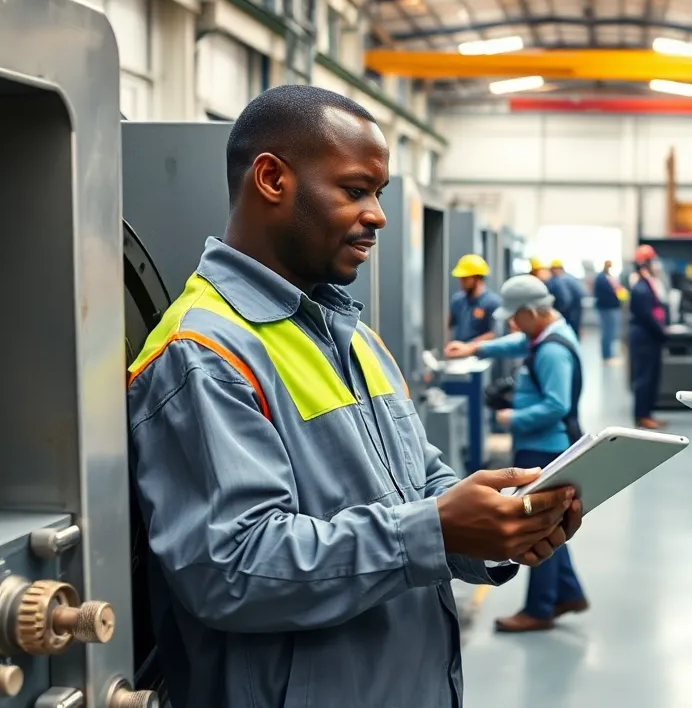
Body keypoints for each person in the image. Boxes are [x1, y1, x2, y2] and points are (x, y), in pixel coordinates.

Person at [125, 85, 582, 708]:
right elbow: (229, 568)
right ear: (271, 179)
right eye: (354, 189)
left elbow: (424, 489)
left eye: (379, 193)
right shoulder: (204, 353)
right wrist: (436, 533)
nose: (378, 215)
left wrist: (496, 530)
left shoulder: (356, 338)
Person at [444, 275, 587, 633]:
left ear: (531, 312)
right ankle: (568, 592)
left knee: (539, 529)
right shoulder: (542, 335)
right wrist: (474, 348)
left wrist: (512, 417)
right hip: (538, 442)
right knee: (551, 523)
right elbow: (514, 344)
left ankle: (539, 610)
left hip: (545, 445)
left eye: (514, 316)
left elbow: (558, 404)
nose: (511, 323)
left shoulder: (553, 350)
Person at [628, 244, 668, 429]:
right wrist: (662, 331)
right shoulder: (641, 288)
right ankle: (642, 415)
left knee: (651, 377)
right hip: (645, 338)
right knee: (644, 378)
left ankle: (647, 413)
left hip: (649, 337)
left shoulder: (646, 284)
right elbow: (647, 315)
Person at [448, 253, 502, 343]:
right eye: (460, 278)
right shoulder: (457, 301)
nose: (461, 282)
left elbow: (495, 333)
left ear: (477, 278)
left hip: (483, 355)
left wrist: (469, 346)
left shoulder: (492, 302)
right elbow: (450, 326)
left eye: (465, 278)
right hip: (459, 354)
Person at [593, 259, 627, 363]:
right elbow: (608, 293)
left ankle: (609, 354)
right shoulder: (602, 278)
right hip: (607, 308)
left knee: (611, 332)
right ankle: (607, 356)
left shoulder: (609, 277)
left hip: (611, 308)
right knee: (608, 331)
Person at [550, 259, 588, 339]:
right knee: (575, 332)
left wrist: (558, 312)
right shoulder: (570, 277)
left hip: (570, 310)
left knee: (570, 333)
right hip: (577, 308)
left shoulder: (560, 279)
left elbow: (565, 299)